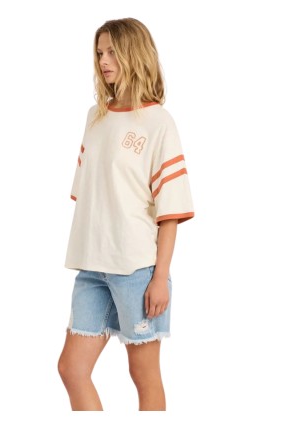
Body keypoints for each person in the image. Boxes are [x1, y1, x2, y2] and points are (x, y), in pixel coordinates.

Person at [57, 17, 195, 411]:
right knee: (71, 369)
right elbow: (89, 194)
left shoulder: (159, 123)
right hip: (91, 267)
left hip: (137, 270)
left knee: (143, 374)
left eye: (113, 52)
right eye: (100, 52)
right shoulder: (95, 117)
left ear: (135, 54)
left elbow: (169, 212)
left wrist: (160, 278)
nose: (103, 60)